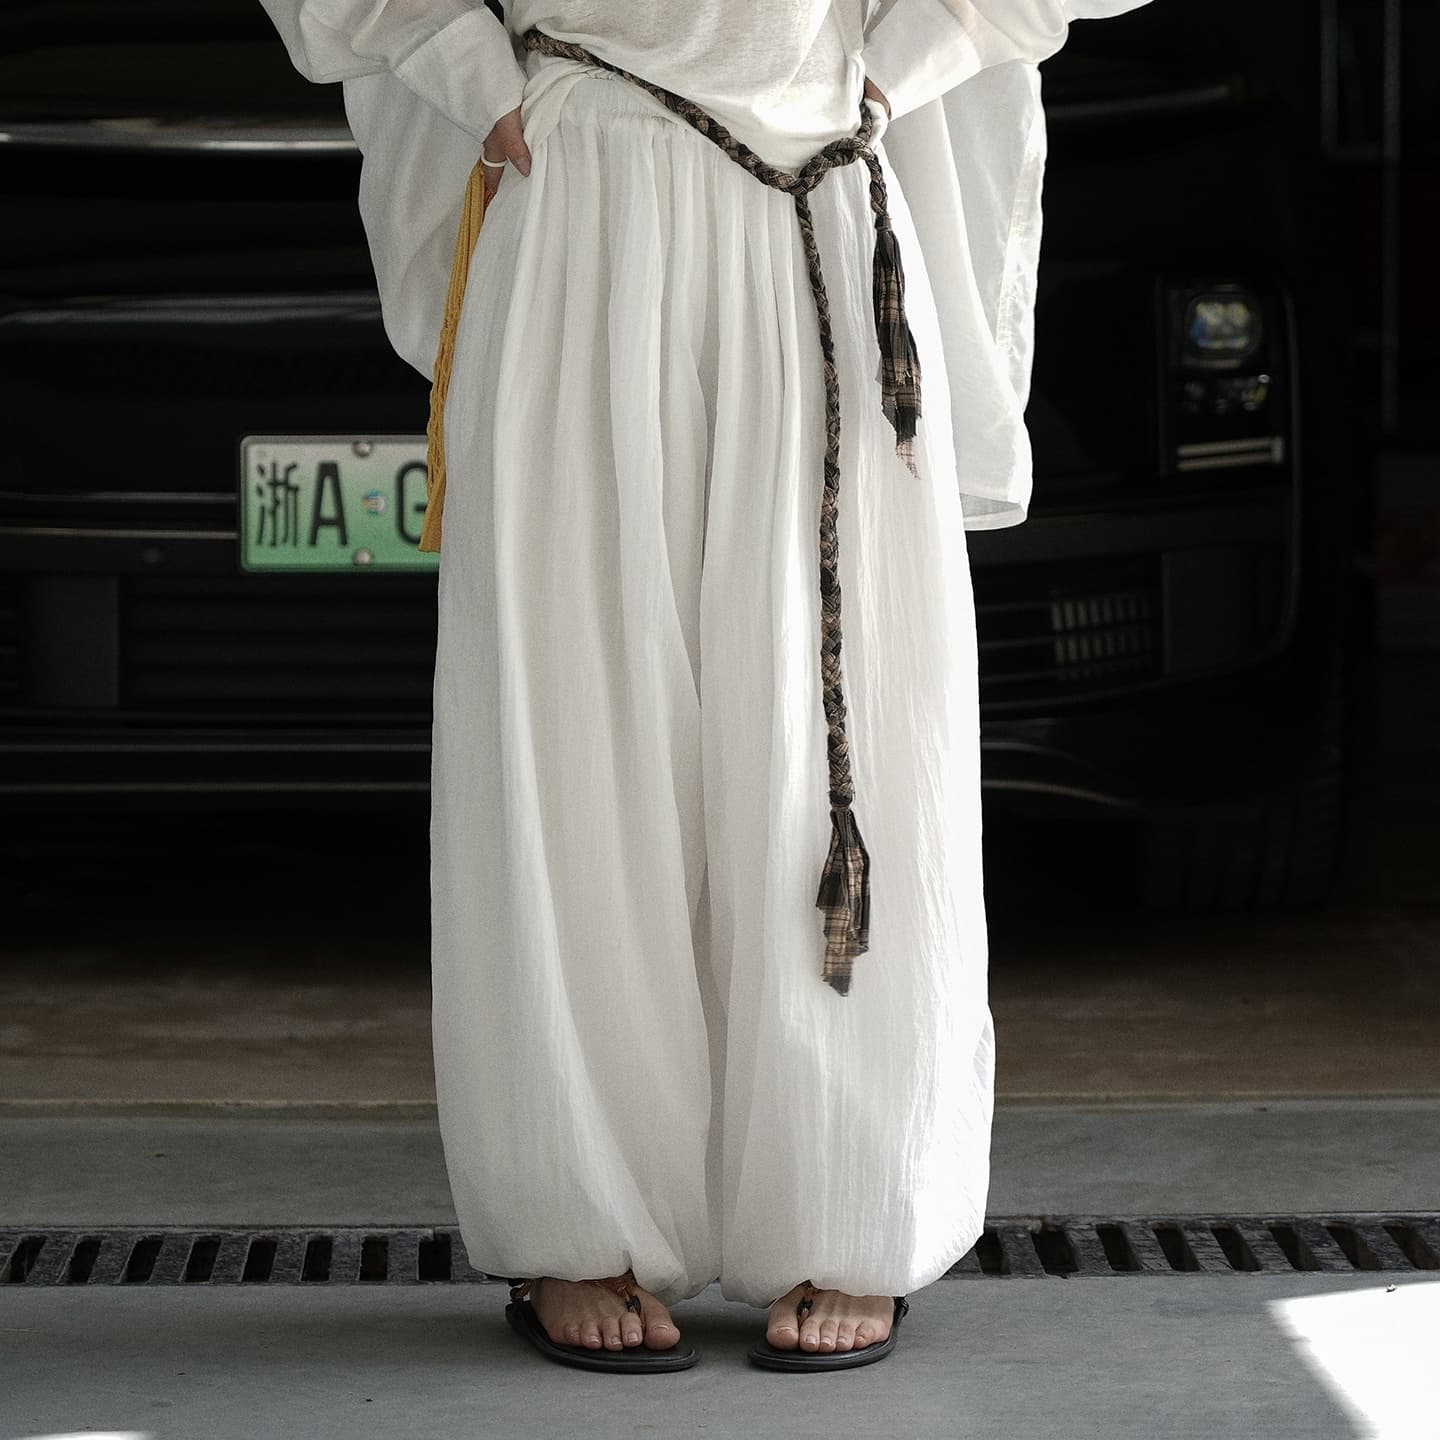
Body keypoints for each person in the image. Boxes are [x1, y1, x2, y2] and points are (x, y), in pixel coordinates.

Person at [257, 0, 1153, 1372]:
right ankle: (580, 1218)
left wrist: (895, 65)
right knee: (575, 729)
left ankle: (847, 1207)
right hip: (580, 187)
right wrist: (469, 72)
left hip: (824, 187)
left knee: (840, 728)